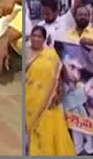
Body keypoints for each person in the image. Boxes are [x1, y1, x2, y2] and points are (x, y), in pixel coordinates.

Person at [25, 26, 77, 155]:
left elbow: (58, 75)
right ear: (30, 37)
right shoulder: (26, 52)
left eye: (39, 37)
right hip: (30, 100)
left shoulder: (50, 54)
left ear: (44, 39)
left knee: (48, 131)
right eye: (34, 36)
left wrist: (59, 93)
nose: (36, 39)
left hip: (49, 101)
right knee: (32, 131)